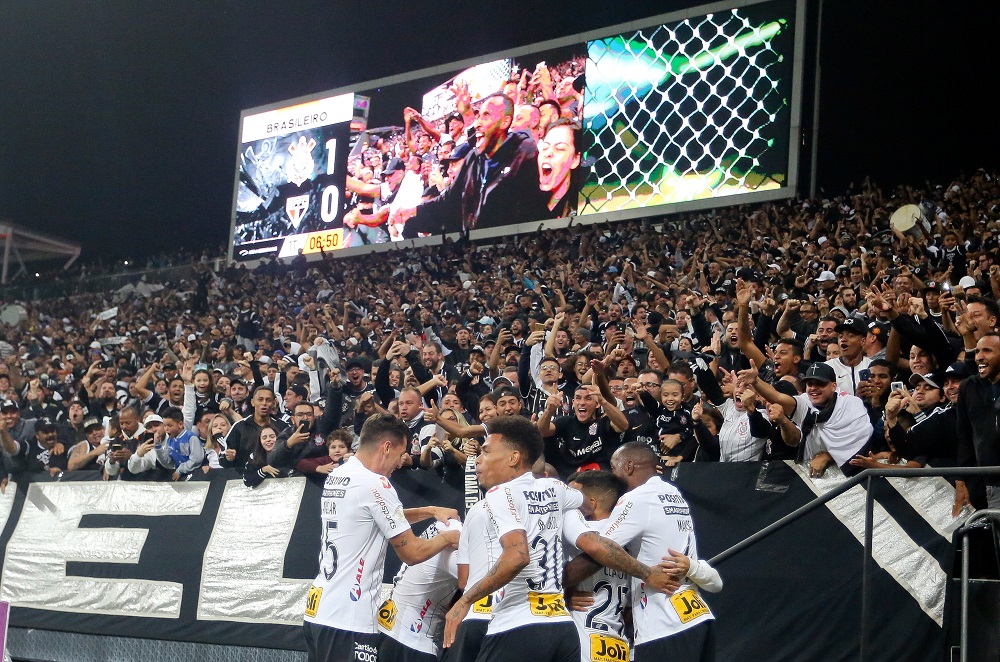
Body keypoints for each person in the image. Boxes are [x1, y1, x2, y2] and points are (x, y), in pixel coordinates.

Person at [442, 416, 672, 662]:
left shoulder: (499, 495)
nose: (478, 459)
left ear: (513, 458)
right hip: (562, 628)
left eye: (486, 452)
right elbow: (592, 527)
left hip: (517, 623)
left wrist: (464, 601)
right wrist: (647, 574)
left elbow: (517, 556)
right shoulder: (557, 490)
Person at [303, 414, 460, 662]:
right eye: (401, 454)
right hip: (350, 619)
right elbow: (412, 553)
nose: (400, 463)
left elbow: (379, 517)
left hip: (319, 610)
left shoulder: (339, 474)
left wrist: (429, 511)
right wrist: (448, 538)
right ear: (387, 447)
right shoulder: (376, 484)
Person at [593, 442, 720, 662]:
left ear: (629, 466)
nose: (612, 476)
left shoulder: (636, 498)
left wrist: (564, 585)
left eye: (614, 468)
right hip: (697, 617)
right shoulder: (673, 493)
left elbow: (602, 546)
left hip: (664, 624)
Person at [402, 93, 548, 237]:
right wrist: (415, 211)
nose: (477, 123)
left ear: (504, 122)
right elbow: (450, 200)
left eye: (486, 115)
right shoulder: (473, 157)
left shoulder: (524, 153)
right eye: (478, 116)